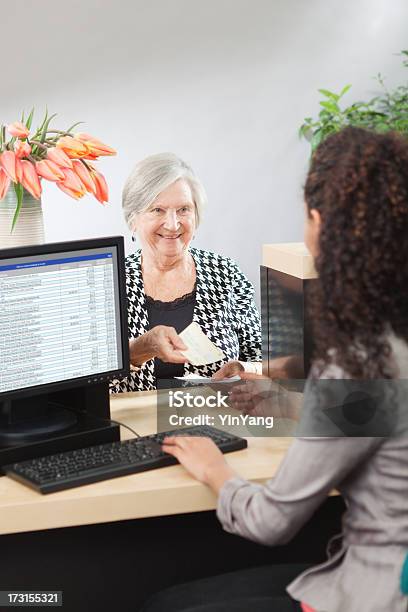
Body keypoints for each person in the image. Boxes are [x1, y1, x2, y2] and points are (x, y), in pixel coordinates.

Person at [141, 127, 408, 611]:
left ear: (321, 222)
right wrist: (282, 395)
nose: (172, 222)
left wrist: (214, 468)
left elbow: (270, 521)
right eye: (157, 209)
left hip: (377, 593)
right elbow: (374, 413)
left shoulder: (361, 356)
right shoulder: (390, 336)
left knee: (163, 604)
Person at [110, 153, 262, 392]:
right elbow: (87, 382)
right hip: (135, 423)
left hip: (216, 417)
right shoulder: (111, 282)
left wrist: (245, 370)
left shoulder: (226, 273)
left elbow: (260, 356)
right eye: (157, 210)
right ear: (133, 220)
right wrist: (137, 351)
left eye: (183, 209)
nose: (172, 224)